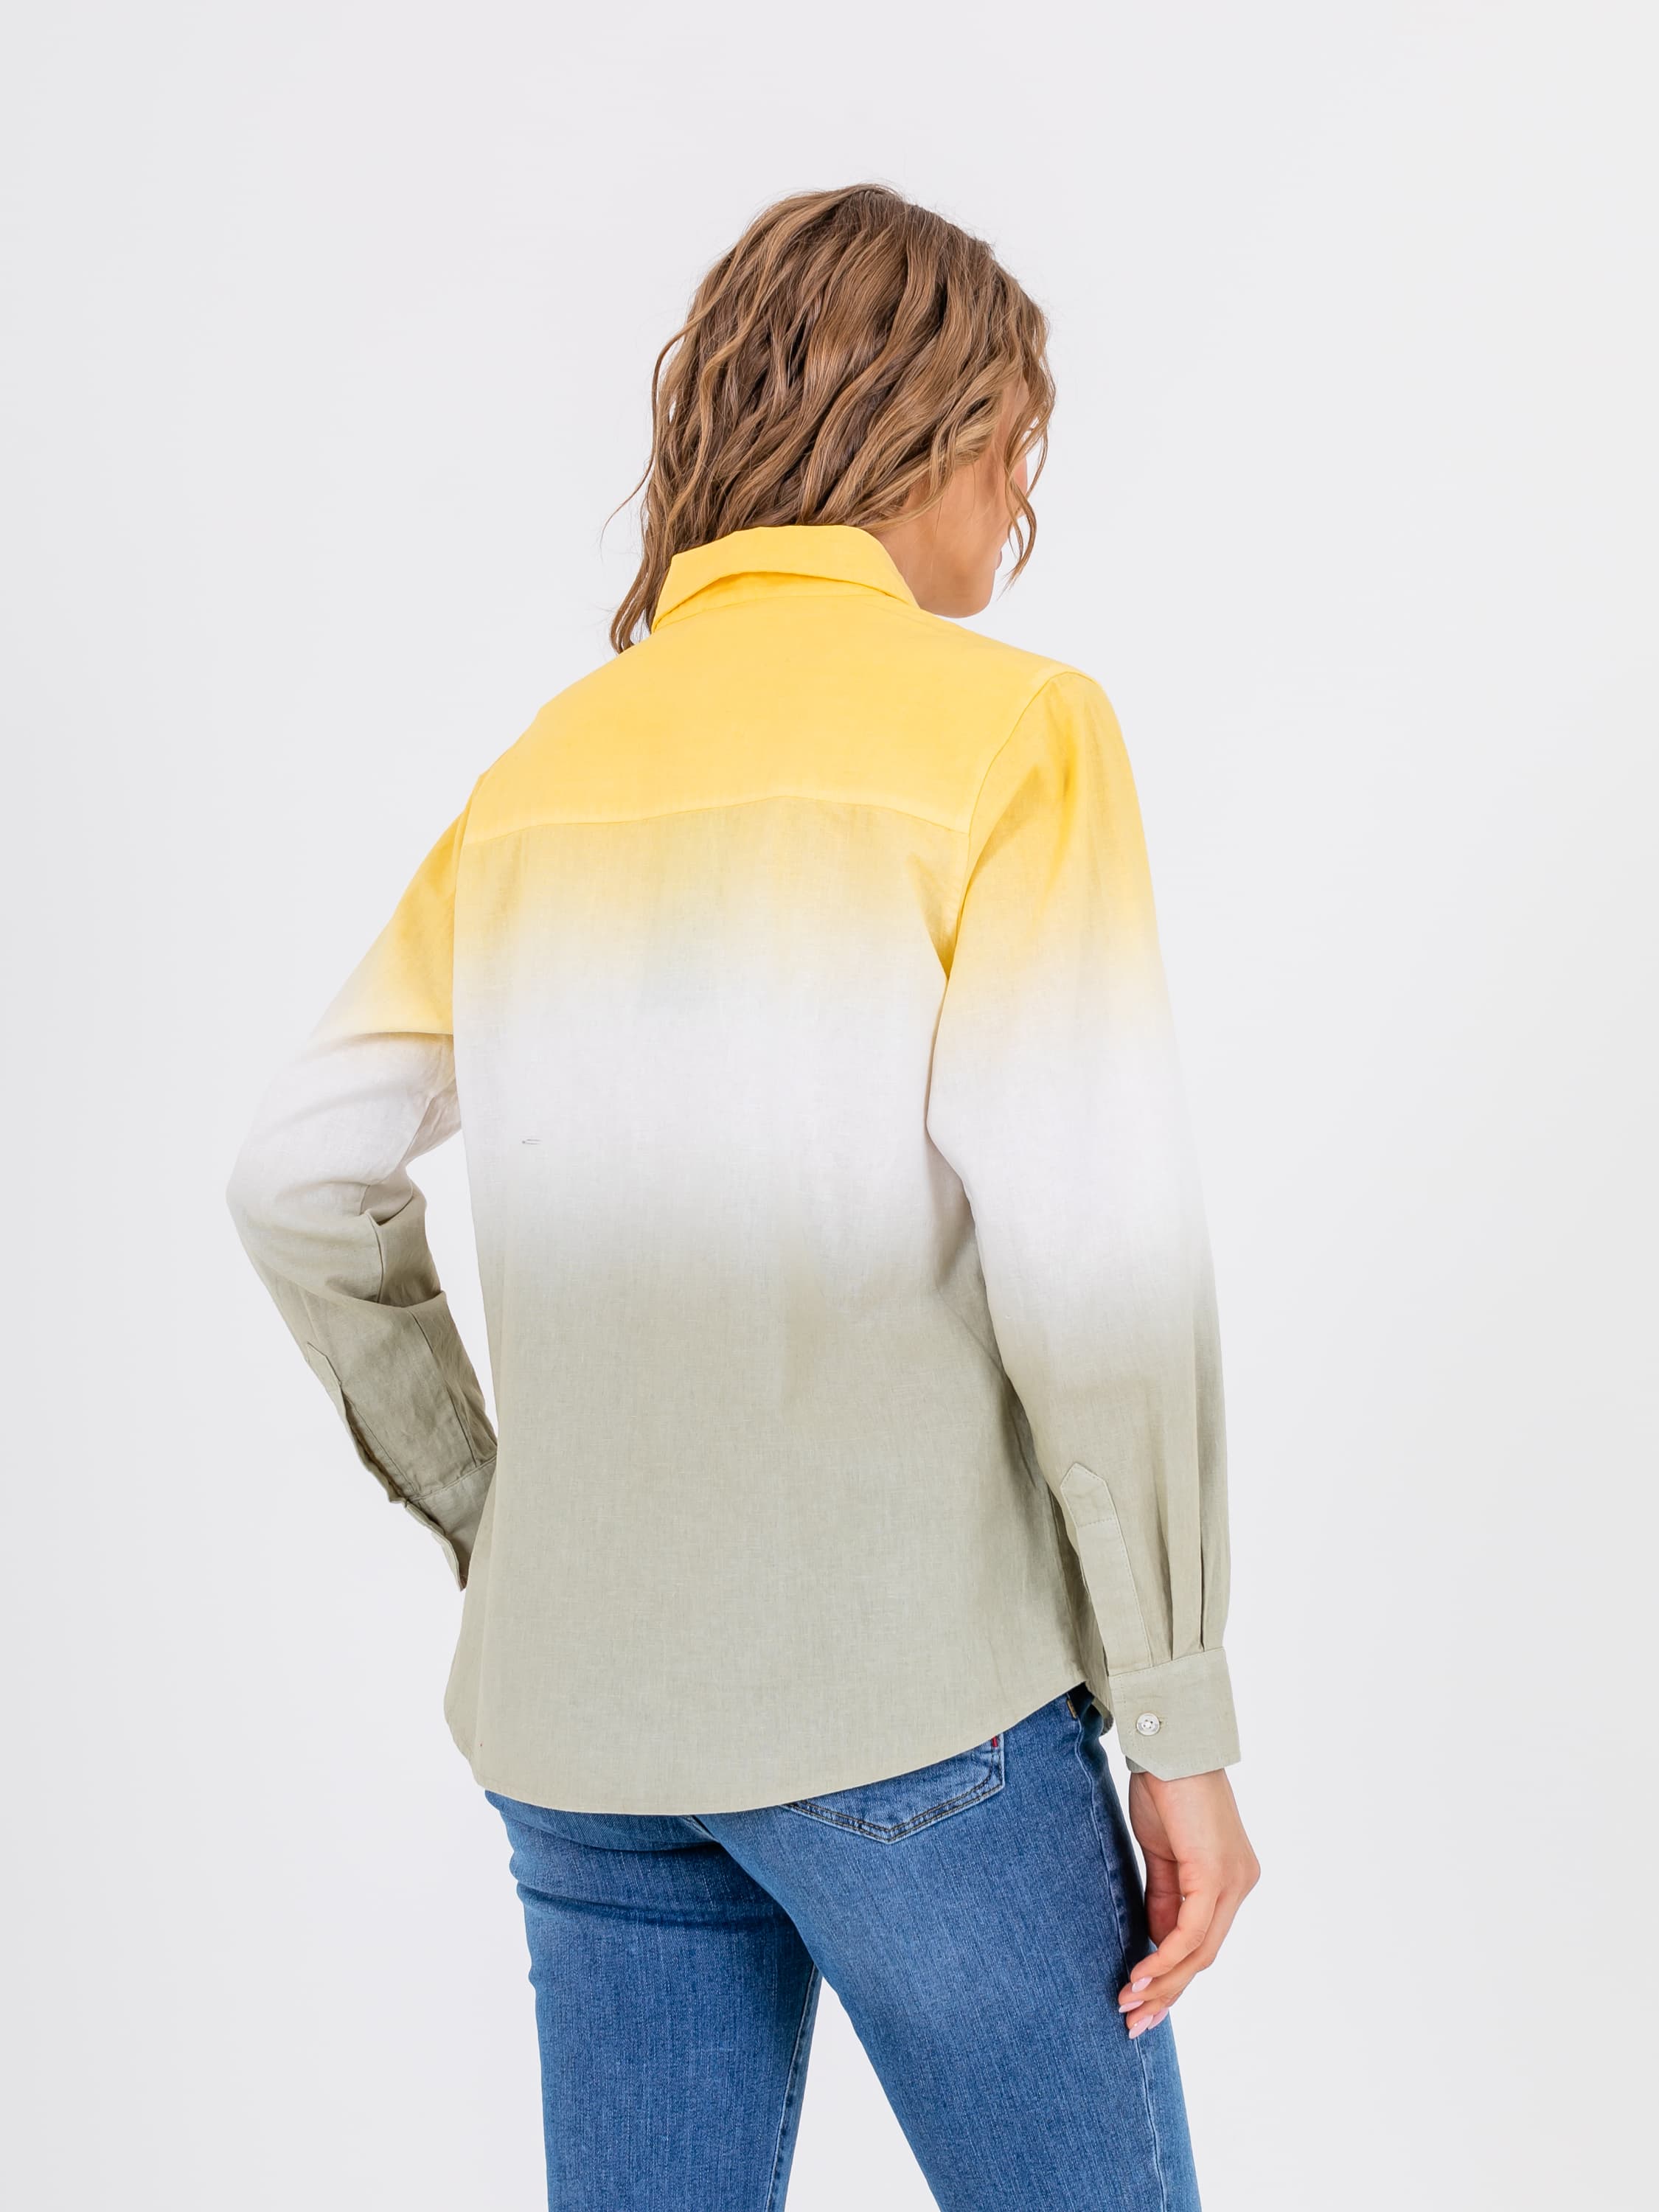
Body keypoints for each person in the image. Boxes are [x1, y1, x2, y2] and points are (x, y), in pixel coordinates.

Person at [226, 182, 1259, 2211]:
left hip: (583, 1726)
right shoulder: (1013, 731)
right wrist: (1179, 1721)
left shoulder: (548, 768)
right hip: (918, 1715)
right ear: (939, 433)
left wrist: (503, 1518)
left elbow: (295, 1172)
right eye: (1017, 447)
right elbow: (1098, 1260)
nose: (1019, 504)